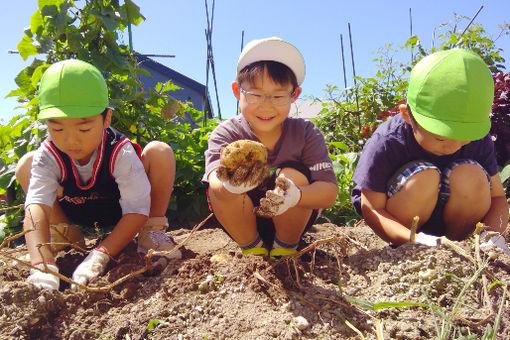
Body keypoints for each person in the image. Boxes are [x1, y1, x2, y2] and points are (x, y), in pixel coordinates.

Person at [16, 59, 181, 290]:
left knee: (160, 152)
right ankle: (65, 235)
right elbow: (36, 208)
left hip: (125, 212)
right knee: (26, 164)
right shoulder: (49, 154)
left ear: (107, 118)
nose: (71, 140)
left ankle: (151, 233)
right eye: (57, 129)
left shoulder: (119, 151)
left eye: (83, 129)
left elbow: (136, 210)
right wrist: (42, 265)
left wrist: (100, 255)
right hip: (76, 210)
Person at [351, 48, 509, 250]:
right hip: (402, 223)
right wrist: (414, 239)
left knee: (472, 176)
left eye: (465, 139)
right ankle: (412, 246)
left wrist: (495, 237)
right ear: (407, 116)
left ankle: (454, 248)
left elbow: (497, 197)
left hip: (457, 223)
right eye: (440, 138)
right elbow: (372, 208)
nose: (453, 147)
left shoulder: (479, 139)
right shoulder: (389, 140)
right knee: (424, 179)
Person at [203, 37, 338, 259]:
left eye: (278, 96)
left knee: (292, 175)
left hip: (294, 218)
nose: (266, 105)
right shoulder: (226, 134)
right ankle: (253, 249)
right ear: (237, 91)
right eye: (255, 94)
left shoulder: (305, 133)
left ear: (294, 95)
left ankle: (285, 249)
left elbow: (328, 193)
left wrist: (296, 196)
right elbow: (216, 182)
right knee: (219, 186)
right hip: (242, 220)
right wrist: (232, 184)